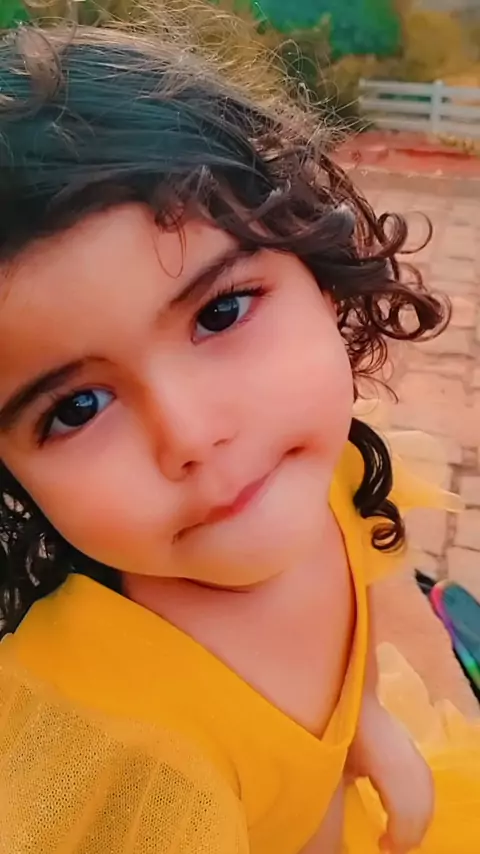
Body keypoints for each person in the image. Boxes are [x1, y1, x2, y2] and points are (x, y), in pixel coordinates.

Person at [0, 12, 478, 854]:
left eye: (221, 313)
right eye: (76, 409)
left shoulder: (327, 478)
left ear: (318, 268)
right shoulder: (108, 743)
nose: (191, 435)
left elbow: (348, 614)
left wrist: (367, 726)